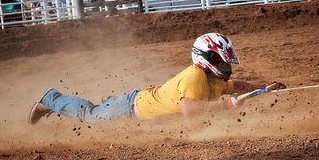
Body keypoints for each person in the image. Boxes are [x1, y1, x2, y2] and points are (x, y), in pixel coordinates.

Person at [28, 33, 285, 124]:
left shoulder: (211, 79)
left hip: (139, 104)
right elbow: (191, 111)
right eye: (220, 59)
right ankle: (50, 99)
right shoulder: (195, 77)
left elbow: (236, 86)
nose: (225, 65)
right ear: (205, 58)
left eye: (225, 60)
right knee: (91, 117)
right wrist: (227, 105)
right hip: (130, 110)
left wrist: (263, 88)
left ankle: (106, 101)